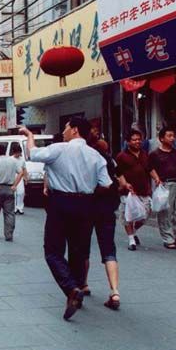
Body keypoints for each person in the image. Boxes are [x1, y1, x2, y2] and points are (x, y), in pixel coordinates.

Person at [19, 118, 112, 320]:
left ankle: (71, 289)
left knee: (53, 251)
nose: (63, 132)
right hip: (86, 205)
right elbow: (106, 184)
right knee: (78, 252)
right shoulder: (96, 155)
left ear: (75, 130)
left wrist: (30, 136)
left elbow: (33, 154)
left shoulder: (59, 149)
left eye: (66, 128)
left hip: (60, 202)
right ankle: (76, 291)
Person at [84, 139, 121, 310]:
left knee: (83, 247)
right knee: (109, 249)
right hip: (107, 210)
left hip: (87, 208)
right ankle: (114, 291)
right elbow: (115, 184)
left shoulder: (88, 160)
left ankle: (83, 284)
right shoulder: (110, 161)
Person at [149, 126, 176, 249]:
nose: (172, 138)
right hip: (165, 185)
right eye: (169, 136)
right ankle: (168, 238)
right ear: (161, 138)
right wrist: (156, 178)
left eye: (173, 136)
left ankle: (172, 233)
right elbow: (150, 168)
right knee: (165, 213)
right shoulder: (155, 154)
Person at [115, 130, 152, 251]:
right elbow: (118, 173)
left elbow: (149, 169)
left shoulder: (144, 154)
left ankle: (134, 231)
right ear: (128, 141)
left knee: (145, 214)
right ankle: (131, 240)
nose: (137, 142)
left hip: (143, 190)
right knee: (128, 215)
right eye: (134, 139)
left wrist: (156, 179)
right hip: (128, 191)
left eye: (139, 139)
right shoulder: (121, 156)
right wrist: (125, 184)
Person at [11, 143, 27, 215]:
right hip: (13, 176)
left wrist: (26, 177)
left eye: (19, 152)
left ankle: (20, 208)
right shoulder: (10, 159)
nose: (18, 154)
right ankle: (14, 208)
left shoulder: (22, 160)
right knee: (13, 193)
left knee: (21, 192)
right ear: (14, 152)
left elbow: (24, 169)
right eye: (17, 152)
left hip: (20, 177)